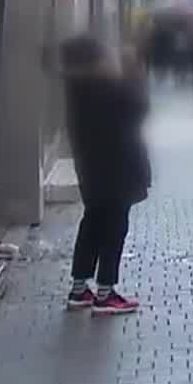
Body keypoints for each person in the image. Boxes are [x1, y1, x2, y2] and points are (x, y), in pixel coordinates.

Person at [57, 33, 150, 314]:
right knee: (114, 228)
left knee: (92, 223)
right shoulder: (104, 87)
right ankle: (105, 292)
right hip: (115, 170)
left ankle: (79, 288)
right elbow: (138, 109)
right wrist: (133, 75)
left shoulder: (78, 86)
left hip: (92, 169)